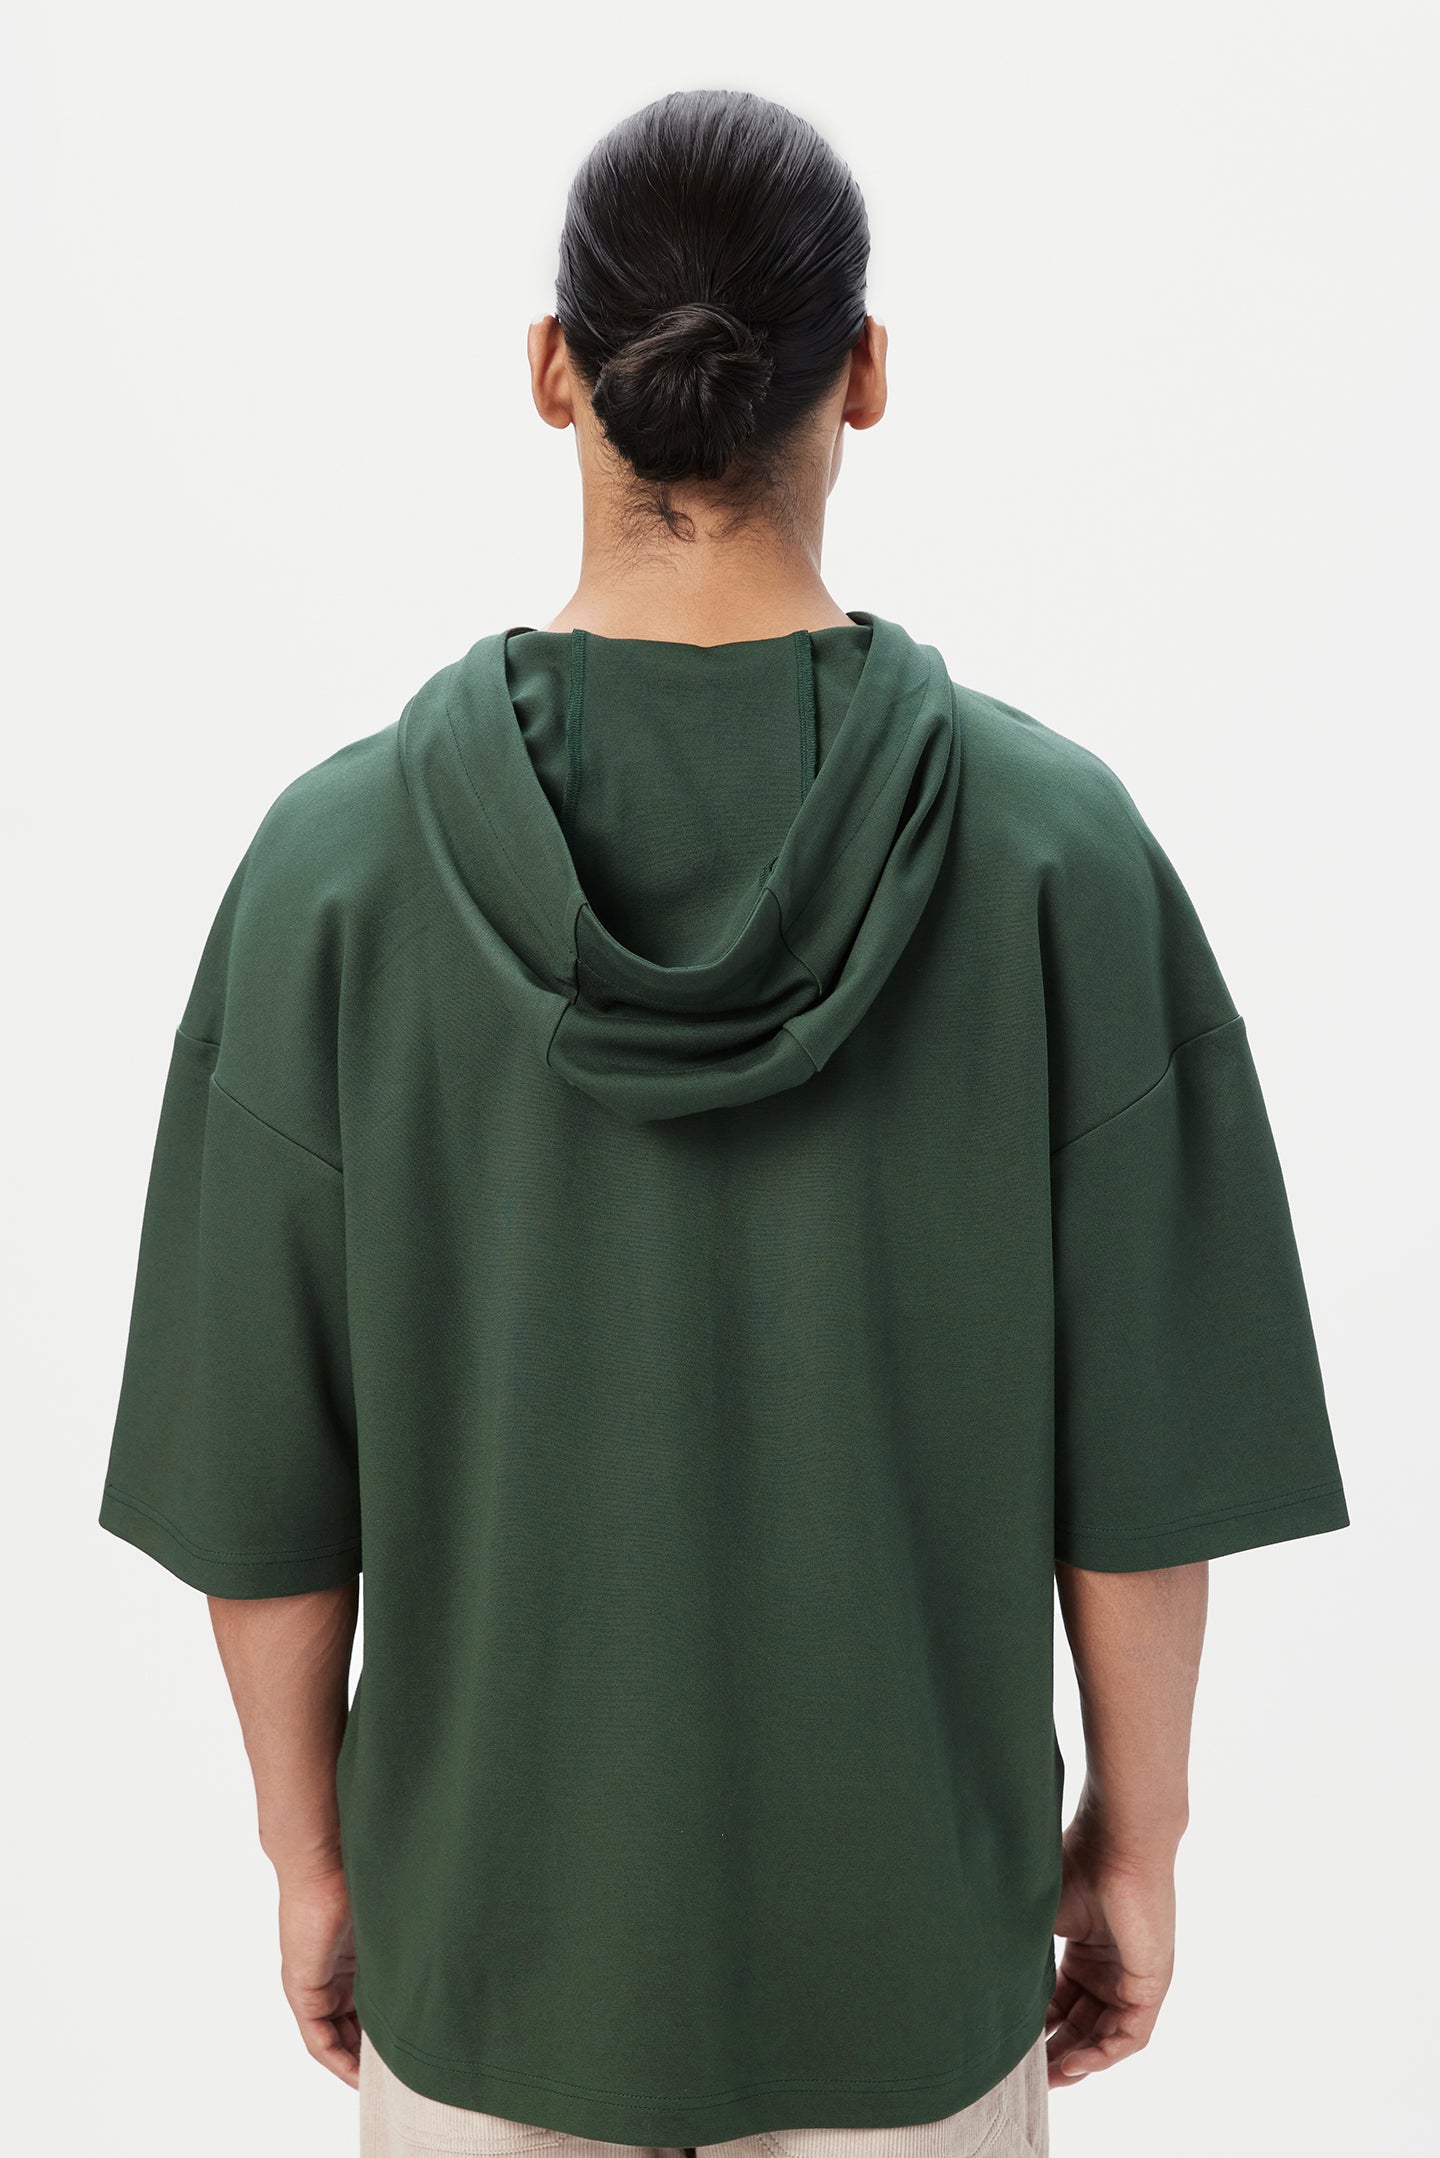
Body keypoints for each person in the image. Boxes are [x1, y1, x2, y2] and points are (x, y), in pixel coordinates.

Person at [98, 87, 1350, 2158]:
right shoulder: (1059, 858)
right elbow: (1145, 1466)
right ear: (864, 372)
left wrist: (312, 1861)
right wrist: (1139, 1843)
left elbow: (261, 1491)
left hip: (490, 1972)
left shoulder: (333, 874)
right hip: (913, 1985)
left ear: (551, 369)